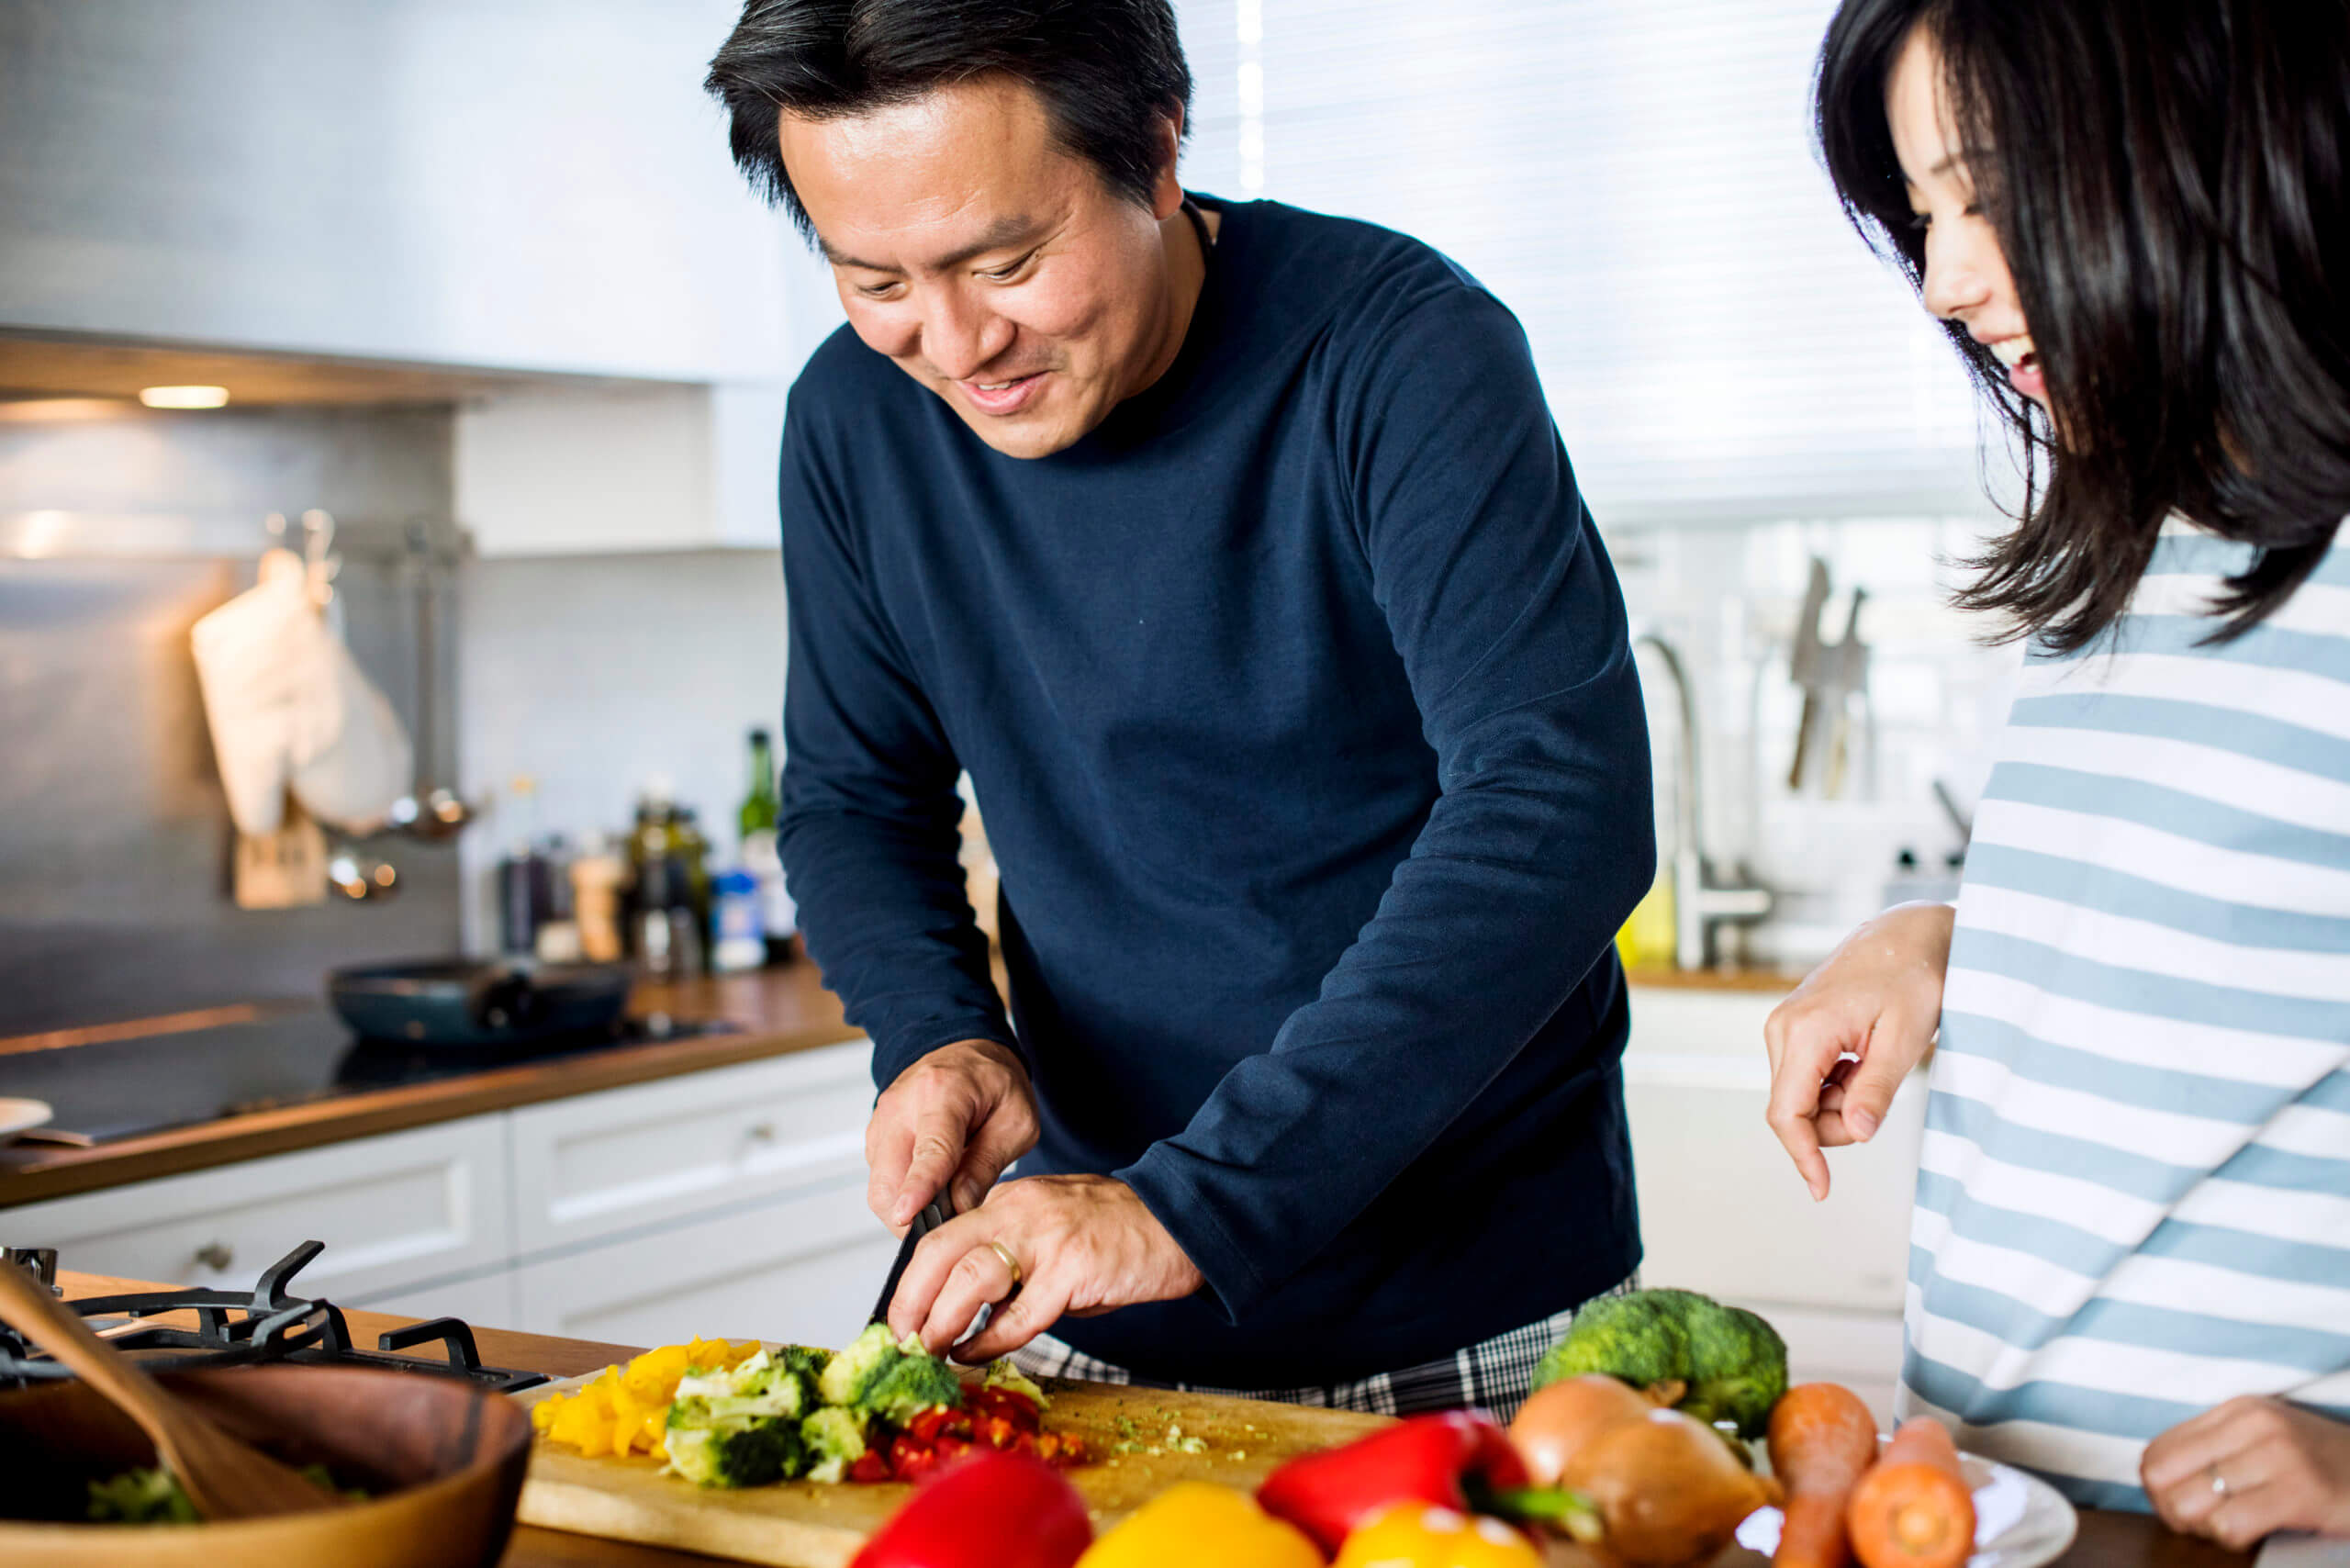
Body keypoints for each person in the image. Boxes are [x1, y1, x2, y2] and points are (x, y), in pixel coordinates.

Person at [702, 0, 1652, 1417]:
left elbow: (1558, 807)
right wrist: (939, 1034)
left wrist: (1194, 1209)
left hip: (1473, 1314)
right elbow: (854, 797)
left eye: (1007, 262)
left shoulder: (1400, 353)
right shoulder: (850, 419)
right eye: (875, 278)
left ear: (1156, 150)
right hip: (1086, 1294)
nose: (957, 344)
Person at [1770, 0, 2350, 1542]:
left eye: (1994, 196)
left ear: (2209, 140)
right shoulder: (2142, 551)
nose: (1949, 280)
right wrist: (1949, 945)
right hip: (2017, 1513)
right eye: (1928, 212)